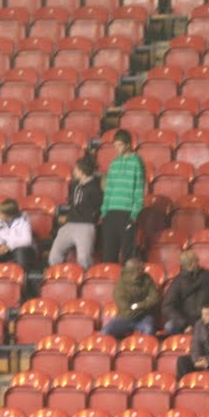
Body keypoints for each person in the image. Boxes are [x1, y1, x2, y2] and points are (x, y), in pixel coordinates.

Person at [99, 130, 145, 264]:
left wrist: (134, 214)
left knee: (127, 256)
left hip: (127, 214)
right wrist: (104, 212)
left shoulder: (137, 162)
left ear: (128, 145)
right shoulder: (113, 164)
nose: (116, 148)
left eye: (119, 145)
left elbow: (139, 189)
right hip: (111, 213)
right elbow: (109, 189)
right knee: (108, 254)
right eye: (115, 145)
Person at [48, 156, 103, 268]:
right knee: (54, 257)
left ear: (82, 171)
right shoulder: (75, 185)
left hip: (86, 225)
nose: (74, 171)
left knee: (84, 259)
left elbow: (95, 210)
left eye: (76, 169)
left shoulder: (96, 189)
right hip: (70, 224)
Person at [162, 249, 209, 336]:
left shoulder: (208, 276)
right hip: (186, 320)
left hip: (206, 317)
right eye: (196, 260)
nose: (199, 262)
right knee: (169, 326)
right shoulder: (178, 281)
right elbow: (167, 306)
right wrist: (184, 324)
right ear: (191, 264)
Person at [103, 257, 161, 339]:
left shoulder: (147, 278)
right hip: (125, 317)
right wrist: (146, 305)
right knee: (105, 332)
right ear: (135, 272)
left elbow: (155, 298)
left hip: (144, 317)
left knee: (149, 329)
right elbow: (127, 312)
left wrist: (139, 305)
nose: (144, 270)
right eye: (141, 269)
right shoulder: (120, 287)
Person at [0, 198, 37, 270]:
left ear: (10, 216)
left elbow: (27, 240)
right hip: (3, 249)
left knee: (20, 253)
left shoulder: (23, 219)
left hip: (21, 249)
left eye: (1, 213)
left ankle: (23, 277)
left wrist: (9, 246)